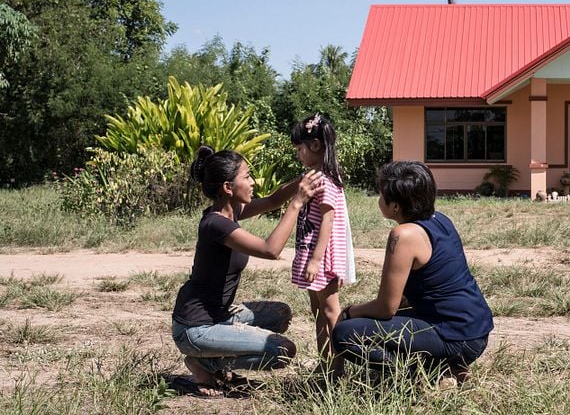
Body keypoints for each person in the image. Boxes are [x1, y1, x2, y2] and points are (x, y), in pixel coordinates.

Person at [171, 145, 321, 396]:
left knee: (280, 314)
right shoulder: (215, 224)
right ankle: (205, 363)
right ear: (228, 187)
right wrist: (297, 204)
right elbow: (270, 250)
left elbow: (273, 200)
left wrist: (309, 177)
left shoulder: (231, 212)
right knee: (282, 351)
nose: (253, 182)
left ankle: (213, 355)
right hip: (195, 328)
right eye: (247, 176)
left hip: (217, 316)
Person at [331, 161, 493, 384]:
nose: (378, 200)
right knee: (363, 324)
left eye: (381, 194)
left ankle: (425, 376)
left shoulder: (403, 235)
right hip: (475, 331)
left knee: (345, 334)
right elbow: (421, 293)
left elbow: (386, 308)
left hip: (454, 337)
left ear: (395, 206)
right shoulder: (440, 220)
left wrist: (349, 312)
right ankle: (449, 367)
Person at [289, 113, 356, 365]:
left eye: (299, 149)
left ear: (315, 146)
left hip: (322, 258)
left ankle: (337, 365)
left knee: (330, 311)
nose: (298, 155)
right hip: (312, 253)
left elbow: (328, 220)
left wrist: (316, 260)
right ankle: (325, 362)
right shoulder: (314, 178)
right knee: (318, 311)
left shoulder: (324, 182)